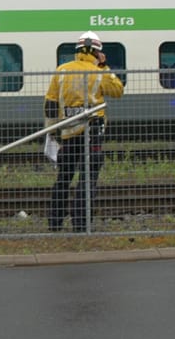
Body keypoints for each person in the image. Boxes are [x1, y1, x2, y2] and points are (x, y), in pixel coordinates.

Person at [44, 31, 124, 231]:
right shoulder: (98, 72)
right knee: (87, 180)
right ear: (98, 53)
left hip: (67, 132)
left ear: (77, 51)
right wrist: (104, 66)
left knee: (63, 178)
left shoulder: (62, 71)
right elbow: (118, 91)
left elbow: (50, 104)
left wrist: (52, 131)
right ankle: (81, 226)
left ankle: (55, 225)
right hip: (92, 132)